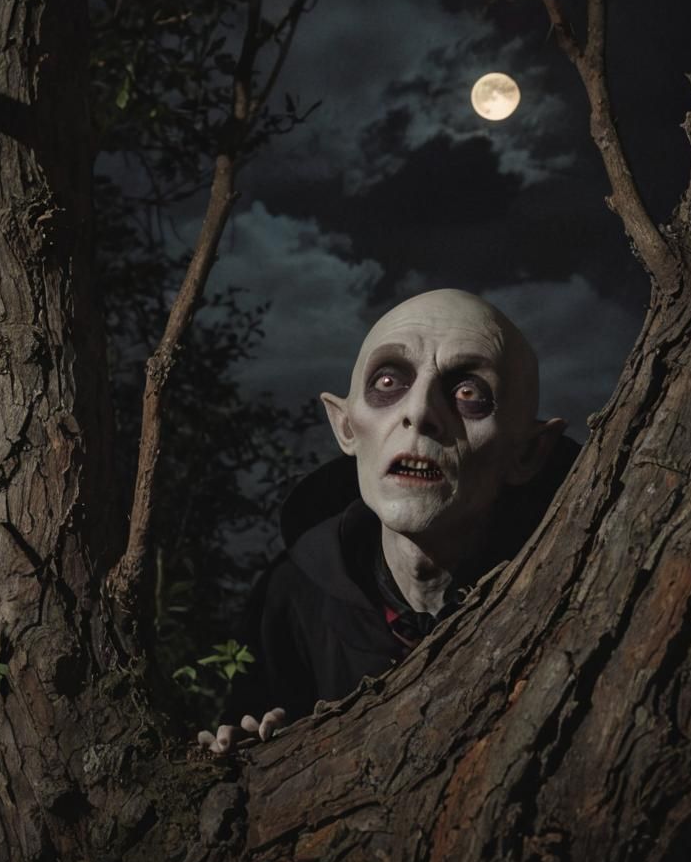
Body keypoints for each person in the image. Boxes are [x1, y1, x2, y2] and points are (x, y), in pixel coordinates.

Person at [198, 289, 576, 754]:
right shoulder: (293, 597)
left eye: (467, 392)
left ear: (529, 452)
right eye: (388, 383)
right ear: (345, 426)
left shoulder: (573, 584)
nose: (418, 413)